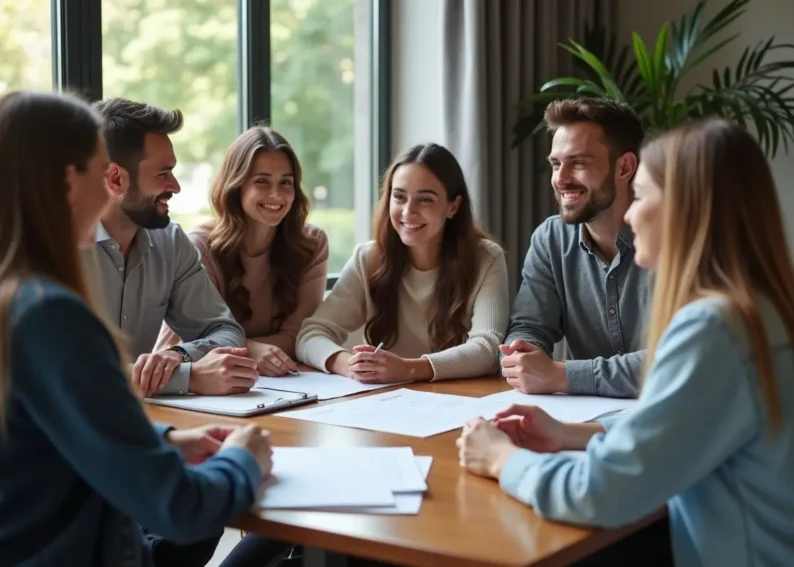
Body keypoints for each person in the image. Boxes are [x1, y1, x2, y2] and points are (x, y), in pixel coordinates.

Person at [0, 90, 273, 567]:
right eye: (100, 170)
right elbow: (181, 508)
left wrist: (161, 443)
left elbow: (32, 439)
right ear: (68, 181)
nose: (108, 188)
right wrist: (244, 458)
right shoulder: (49, 314)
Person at [458, 119, 794, 566]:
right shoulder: (761, 311)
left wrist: (500, 458)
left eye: (641, 196)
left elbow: (603, 493)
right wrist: (569, 433)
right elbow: (685, 420)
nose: (630, 216)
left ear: (686, 210)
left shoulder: (715, 329)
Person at [88, 97, 260, 401]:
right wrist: (188, 378)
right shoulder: (53, 249)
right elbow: (64, 373)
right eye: (162, 173)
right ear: (115, 178)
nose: (176, 186)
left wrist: (178, 355)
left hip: (134, 420)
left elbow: (225, 330)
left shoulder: (170, 241)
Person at [295, 143, 509, 383]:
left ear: (453, 206)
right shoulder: (367, 258)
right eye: (399, 197)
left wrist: (409, 369)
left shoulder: (486, 258)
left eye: (425, 199)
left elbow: (488, 348)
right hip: (386, 400)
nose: (408, 211)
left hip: (461, 398)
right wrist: (349, 365)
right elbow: (311, 335)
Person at [501, 97, 647, 398]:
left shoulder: (674, 239)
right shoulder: (550, 239)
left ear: (624, 167)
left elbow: (675, 362)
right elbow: (530, 325)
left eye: (578, 163)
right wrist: (522, 353)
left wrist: (561, 375)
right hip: (586, 421)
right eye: (556, 164)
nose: (561, 179)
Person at [153, 126, 328, 376]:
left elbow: (298, 336)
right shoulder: (199, 246)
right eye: (262, 181)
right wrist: (252, 350)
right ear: (236, 186)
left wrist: (249, 352)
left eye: (286, 182)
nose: (276, 194)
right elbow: (189, 342)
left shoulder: (312, 243)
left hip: (271, 382)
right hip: (186, 378)